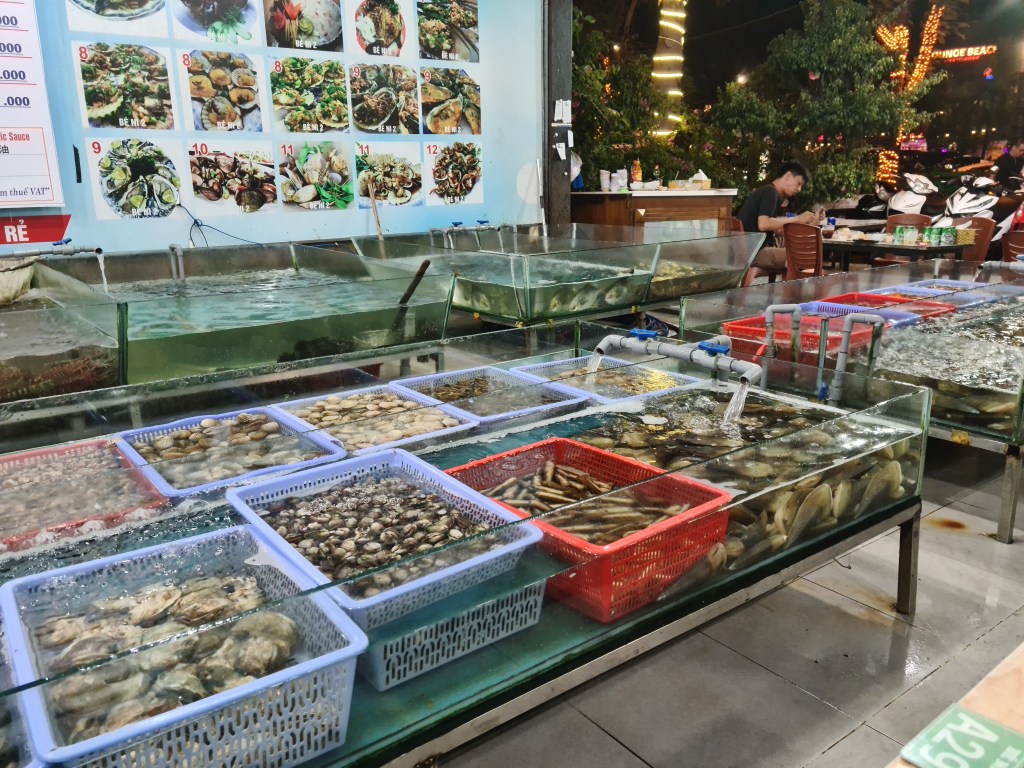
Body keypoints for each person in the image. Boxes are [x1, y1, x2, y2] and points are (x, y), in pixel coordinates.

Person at [737, 160, 822, 271]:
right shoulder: (770, 192)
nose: (799, 189)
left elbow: (776, 229)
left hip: (759, 246)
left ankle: (792, 278)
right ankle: (796, 281)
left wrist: (810, 222)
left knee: (797, 243)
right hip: (756, 251)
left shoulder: (771, 192)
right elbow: (763, 224)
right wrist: (797, 219)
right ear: (788, 176)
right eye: (799, 183)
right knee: (803, 257)